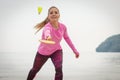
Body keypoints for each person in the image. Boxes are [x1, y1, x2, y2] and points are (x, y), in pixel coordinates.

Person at [27, 6, 80, 80]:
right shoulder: (47, 27)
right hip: (43, 52)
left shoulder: (63, 27)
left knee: (59, 69)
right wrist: (48, 37)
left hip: (56, 51)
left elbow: (67, 38)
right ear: (48, 16)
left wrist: (75, 51)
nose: (53, 14)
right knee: (35, 70)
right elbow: (47, 32)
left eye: (56, 12)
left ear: (59, 15)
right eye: (51, 13)